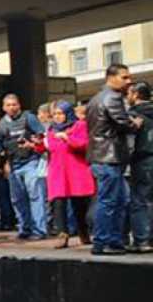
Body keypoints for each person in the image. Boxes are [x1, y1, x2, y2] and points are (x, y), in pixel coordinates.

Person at [87, 64, 143, 255]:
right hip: (108, 157)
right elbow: (122, 122)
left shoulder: (97, 98)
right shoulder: (112, 96)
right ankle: (104, 242)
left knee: (117, 200)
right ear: (111, 77)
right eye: (125, 77)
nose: (129, 81)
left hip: (104, 156)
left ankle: (112, 240)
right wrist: (134, 123)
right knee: (110, 201)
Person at [0, 93, 48, 241]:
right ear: (4, 107)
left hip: (31, 162)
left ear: (19, 105)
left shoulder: (29, 118)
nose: (12, 108)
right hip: (14, 165)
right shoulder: (1, 125)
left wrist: (34, 143)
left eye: (14, 104)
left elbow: (42, 135)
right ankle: (25, 228)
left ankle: (39, 230)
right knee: (18, 199)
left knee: (36, 196)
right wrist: (0, 161)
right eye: (8, 105)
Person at [39, 101, 94, 248]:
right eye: (55, 114)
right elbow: (51, 147)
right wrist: (37, 145)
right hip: (57, 171)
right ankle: (62, 234)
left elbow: (84, 144)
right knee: (58, 203)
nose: (57, 117)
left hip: (75, 170)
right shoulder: (51, 130)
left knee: (79, 204)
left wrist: (67, 138)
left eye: (60, 113)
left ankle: (83, 231)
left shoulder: (79, 125)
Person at [126, 81, 153, 253]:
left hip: (142, 161)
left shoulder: (134, 115)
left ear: (135, 95)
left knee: (140, 200)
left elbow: (128, 143)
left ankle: (142, 240)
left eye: (129, 93)